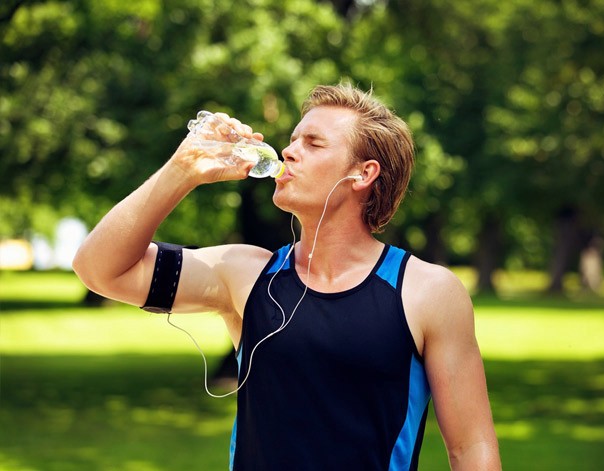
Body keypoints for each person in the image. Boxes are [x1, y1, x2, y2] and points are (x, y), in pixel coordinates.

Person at [72, 83, 501, 470]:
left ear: (363, 174)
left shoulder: (427, 292)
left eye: (313, 143)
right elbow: (98, 268)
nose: (289, 151)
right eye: (293, 139)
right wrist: (183, 170)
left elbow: (472, 450)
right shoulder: (244, 274)